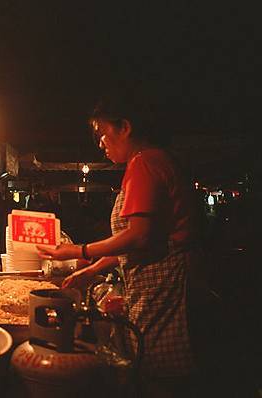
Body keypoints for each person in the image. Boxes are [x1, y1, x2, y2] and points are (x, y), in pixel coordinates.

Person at [36, 91, 209, 396]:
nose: (101, 142)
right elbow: (140, 242)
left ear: (125, 127)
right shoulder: (153, 160)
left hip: (166, 281)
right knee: (154, 367)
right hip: (156, 279)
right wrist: (93, 270)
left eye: (103, 133)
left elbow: (139, 236)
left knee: (159, 371)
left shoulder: (144, 162)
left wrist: (78, 251)